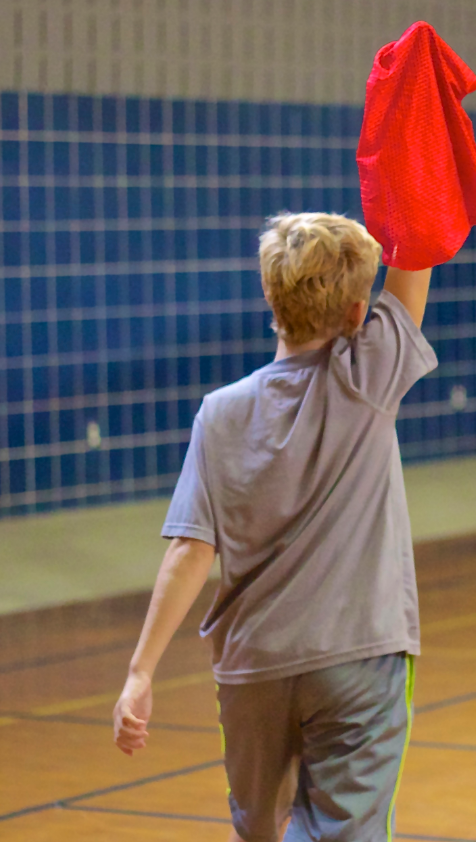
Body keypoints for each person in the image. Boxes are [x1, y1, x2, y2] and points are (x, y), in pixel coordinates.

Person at [112, 212, 436, 841]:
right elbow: (417, 249)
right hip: (358, 657)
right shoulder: (367, 378)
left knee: (257, 830)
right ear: (354, 314)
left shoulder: (219, 414)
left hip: (252, 667)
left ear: (270, 295)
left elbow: (189, 550)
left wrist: (140, 672)